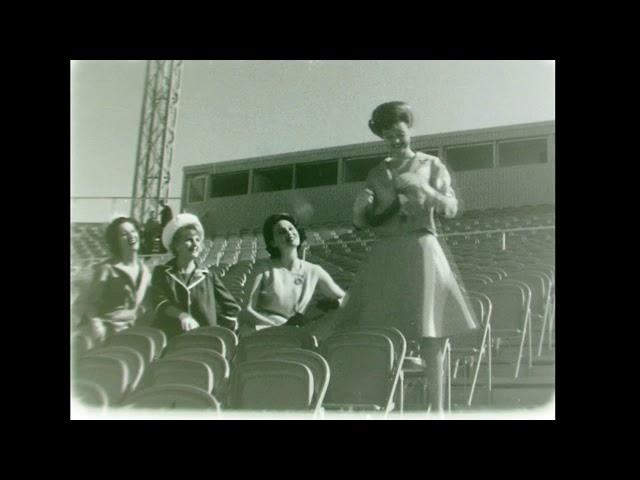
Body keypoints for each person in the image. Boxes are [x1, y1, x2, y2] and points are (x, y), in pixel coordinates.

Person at [340, 101, 478, 412]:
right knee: (377, 332)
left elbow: (451, 209)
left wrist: (426, 192)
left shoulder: (431, 164)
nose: (395, 140)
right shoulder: (376, 173)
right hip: (386, 252)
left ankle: (439, 410)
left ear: (410, 130)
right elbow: (365, 222)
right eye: (388, 136)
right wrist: (359, 210)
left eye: (400, 133)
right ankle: (380, 406)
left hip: (420, 249)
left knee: (431, 334)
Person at [239, 213, 346, 337]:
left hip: (298, 334)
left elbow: (344, 299)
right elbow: (245, 311)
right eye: (281, 232)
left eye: (291, 229)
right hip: (267, 333)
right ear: (273, 242)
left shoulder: (314, 270)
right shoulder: (262, 269)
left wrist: (330, 305)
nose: (289, 233)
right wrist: (281, 328)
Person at [151, 213, 241, 339]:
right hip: (172, 338)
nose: (195, 244)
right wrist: (182, 315)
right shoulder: (161, 273)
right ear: (176, 245)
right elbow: (159, 301)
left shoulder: (209, 276)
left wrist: (219, 331)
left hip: (204, 340)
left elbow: (231, 307)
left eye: (198, 239)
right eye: (188, 240)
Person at [82, 217, 152, 344]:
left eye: (133, 231)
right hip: (105, 332)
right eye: (124, 234)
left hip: (131, 331)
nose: (131, 236)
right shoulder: (107, 269)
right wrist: (96, 326)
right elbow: (90, 303)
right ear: (116, 242)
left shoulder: (145, 271)